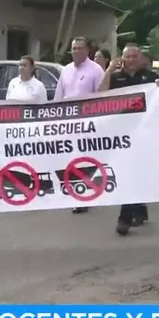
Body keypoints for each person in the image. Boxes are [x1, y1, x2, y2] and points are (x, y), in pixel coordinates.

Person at [99, 43, 159, 235]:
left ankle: (125, 217)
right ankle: (137, 209)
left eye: (135, 56)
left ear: (141, 58)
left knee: (137, 171)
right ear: (122, 58)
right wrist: (109, 70)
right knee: (126, 172)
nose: (132, 60)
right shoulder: (116, 77)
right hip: (121, 134)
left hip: (143, 133)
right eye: (128, 56)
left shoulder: (150, 77)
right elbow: (101, 94)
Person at [54, 37, 105, 215]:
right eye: (73, 48)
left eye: (79, 48)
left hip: (86, 122)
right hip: (67, 122)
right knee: (68, 159)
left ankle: (82, 194)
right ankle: (74, 191)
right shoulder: (66, 70)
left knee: (83, 160)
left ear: (87, 50)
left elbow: (101, 96)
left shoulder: (96, 70)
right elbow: (59, 96)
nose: (76, 51)